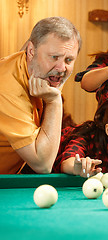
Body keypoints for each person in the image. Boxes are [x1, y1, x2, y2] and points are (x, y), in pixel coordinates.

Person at [0, 17, 81, 174]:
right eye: (54, 57)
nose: (62, 68)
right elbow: (43, 164)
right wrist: (55, 100)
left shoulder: (34, 66)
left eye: (69, 60)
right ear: (31, 51)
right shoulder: (6, 89)